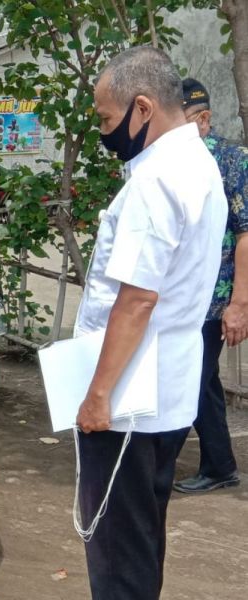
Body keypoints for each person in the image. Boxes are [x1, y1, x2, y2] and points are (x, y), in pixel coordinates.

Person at [74, 47, 227, 599]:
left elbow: (136, 300)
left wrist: (97, 396)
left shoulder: (155, 181)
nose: (103, 132)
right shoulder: (199, 162)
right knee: (140, 537)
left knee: (118, 551)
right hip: (167, 387)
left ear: (143, 108)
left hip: (128, 400)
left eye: (107, 120)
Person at [172, 79, 246, 494]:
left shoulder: (232, 161)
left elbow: (246, 234)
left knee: (190, 381)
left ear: (204, 119)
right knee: (203, 381)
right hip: (183, 299)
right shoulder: (174, 162)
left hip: (215, 301)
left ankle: (155, 469)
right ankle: (220, 465)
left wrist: (240, 303)